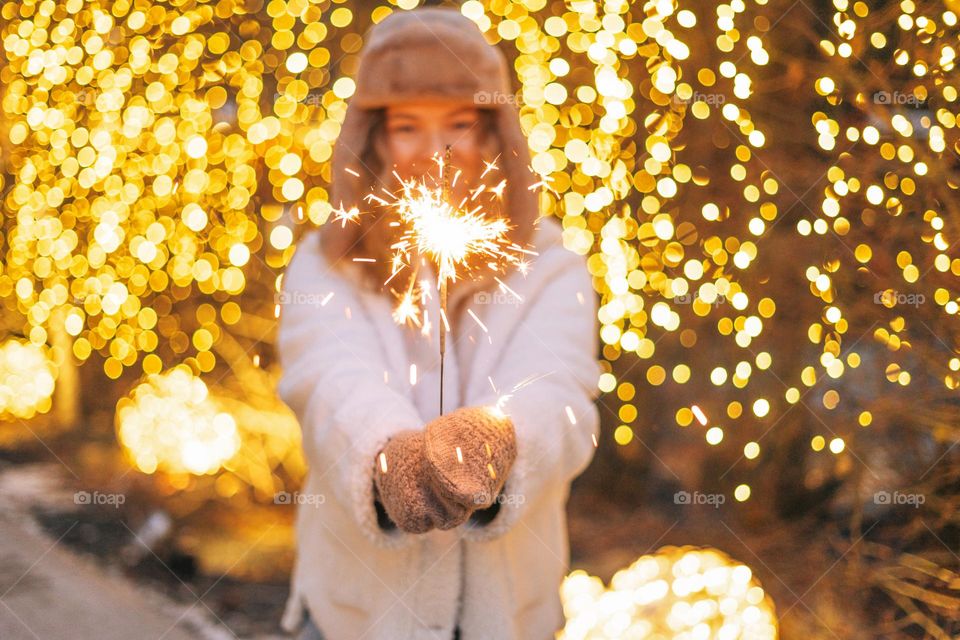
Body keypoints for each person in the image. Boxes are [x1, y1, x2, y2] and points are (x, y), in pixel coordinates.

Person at [276, 7, 600, 640]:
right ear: (374, 139)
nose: (435, 153)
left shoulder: (550, 269)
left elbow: (561, 398)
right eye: (407, 127)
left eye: (458, 125)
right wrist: (386, 454)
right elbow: (327, 380)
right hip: (354, 619)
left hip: (507, 619)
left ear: (492, 135)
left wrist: (501, 443)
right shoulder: (326, 265)